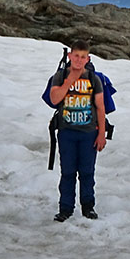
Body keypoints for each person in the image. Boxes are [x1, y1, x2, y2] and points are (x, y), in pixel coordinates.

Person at [47, 40, 107, 222]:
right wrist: (69, 82)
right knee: (68, 172)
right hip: (66, 132)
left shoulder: (93, 79)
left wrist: (101, 133)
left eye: (83, 57)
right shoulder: (60, 76)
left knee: (87, 172)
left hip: (89, 133)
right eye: (76, 56)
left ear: (87, 58)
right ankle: (65, 209)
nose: (79, 61)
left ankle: (88, 208)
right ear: (69, 56)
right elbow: (54, 99)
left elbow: (100, 106)